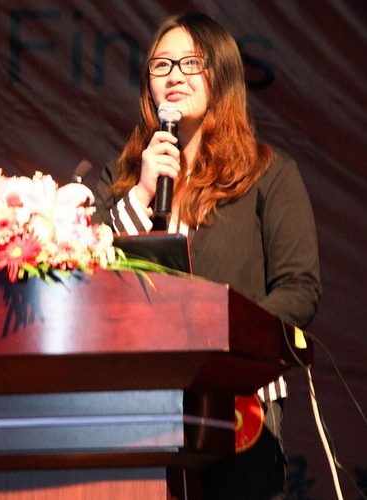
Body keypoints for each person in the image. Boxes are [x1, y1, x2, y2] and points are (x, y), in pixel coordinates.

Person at [92, 11, 321, 500]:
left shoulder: (268, 175)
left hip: (239, 407)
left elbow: (299, 290)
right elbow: (88, 270)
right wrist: (140, 196)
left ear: (222, 75)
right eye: (161, 65)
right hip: (138, 408)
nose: (174, 75)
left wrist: (223, 340)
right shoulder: (123, 178)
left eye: (191, 62)